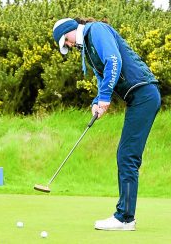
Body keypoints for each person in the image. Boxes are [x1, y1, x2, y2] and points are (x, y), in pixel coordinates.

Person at [52, 18, 161, 231]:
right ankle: (125, 216)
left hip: (144, 95)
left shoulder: (96, 30)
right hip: (139, 98)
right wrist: (97, 101)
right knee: (126, 154)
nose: (69, 46)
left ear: (70, 31)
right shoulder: (89, 48)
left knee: (127, 156)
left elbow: (113, 60)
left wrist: (105, 97)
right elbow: (103, 77)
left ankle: (125, 218)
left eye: (67, 41)